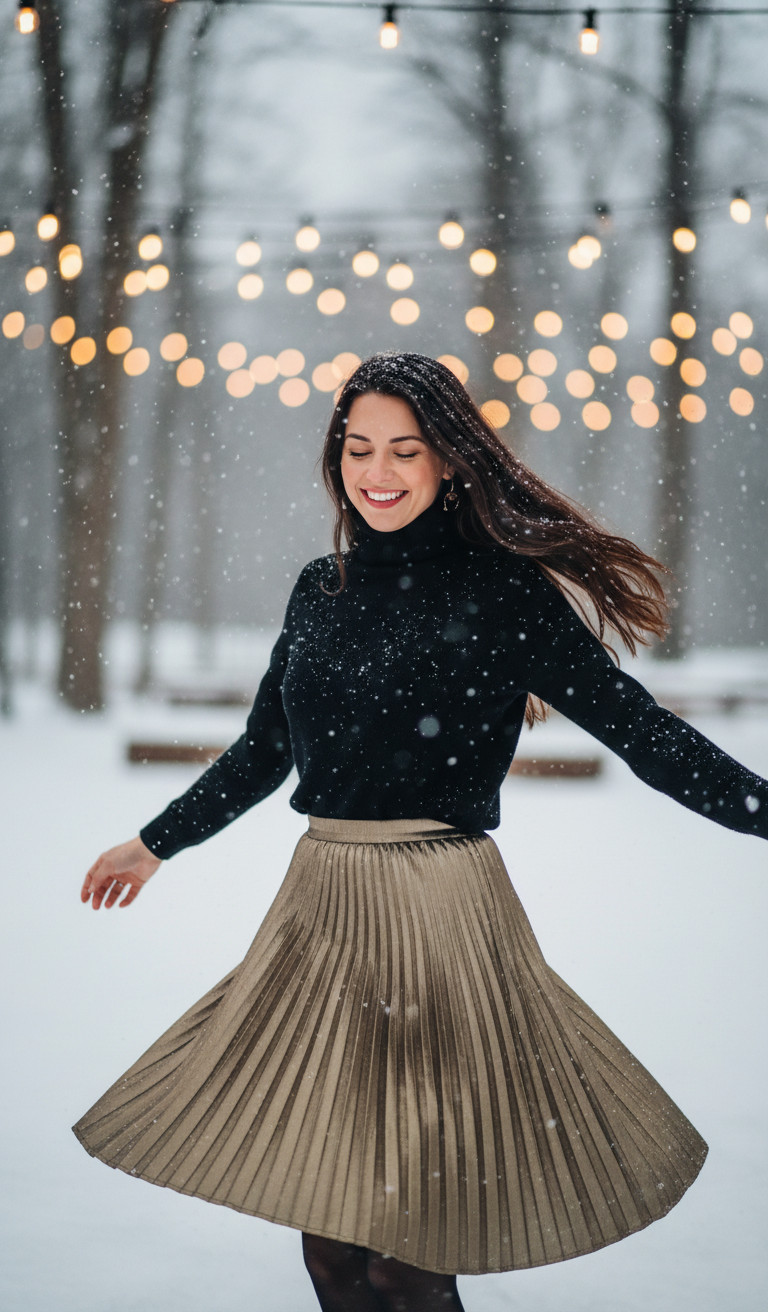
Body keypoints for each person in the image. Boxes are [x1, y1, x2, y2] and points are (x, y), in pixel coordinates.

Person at [75, 352, 768, 1312]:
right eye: (359, 448)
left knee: (406, 1253)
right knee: (333, 1252)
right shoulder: (321, 589)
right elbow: (263, 751)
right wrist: (154, 842)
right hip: (321, 919)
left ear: (449, 461)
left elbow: (642, 733)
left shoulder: (505, 593)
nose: (379, 471)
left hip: (444, 925)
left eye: (406, 449)